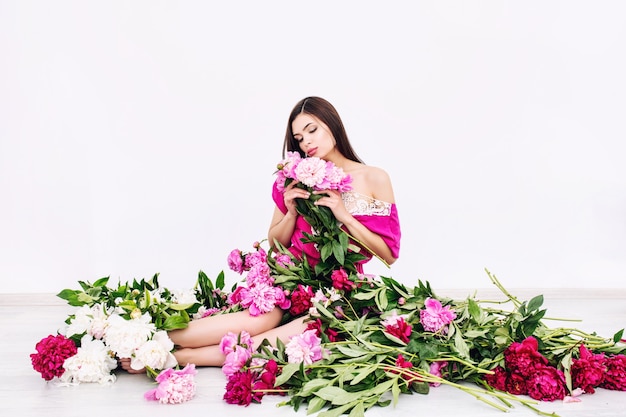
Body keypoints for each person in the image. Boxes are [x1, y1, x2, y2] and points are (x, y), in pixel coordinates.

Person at [120, 96, 401, 372]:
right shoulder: (294, 178)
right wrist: (291, 212)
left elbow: (389, 254)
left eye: (312, 130)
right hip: (293, 282)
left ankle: (172, 356)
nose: (307, 143)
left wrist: (344, 216)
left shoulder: (373, 178)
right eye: (299, 138)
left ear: (332, 124)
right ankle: (136, 337)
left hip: (338, 292)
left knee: (279, 341)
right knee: (257, 321)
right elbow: (278, 245)